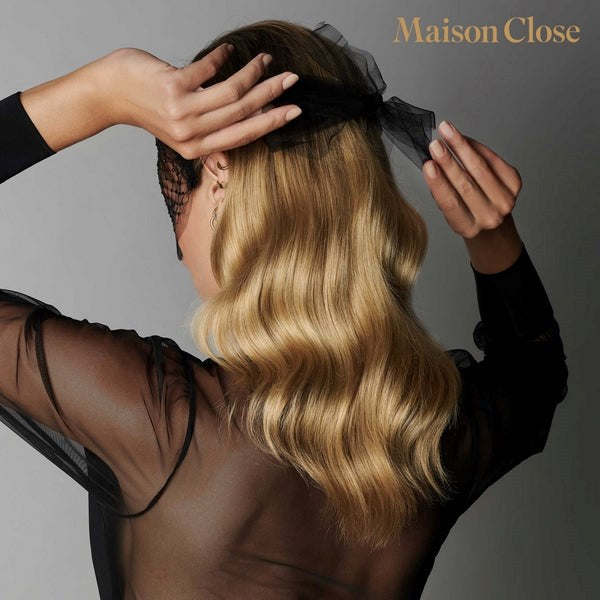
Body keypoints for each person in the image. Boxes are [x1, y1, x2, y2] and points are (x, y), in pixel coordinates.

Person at [0, 19, 568, 600]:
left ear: (217, 173)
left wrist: (103, 92)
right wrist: (494, 241)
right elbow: (534, 376)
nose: (180, 249)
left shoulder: (162, 423)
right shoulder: (434, 438)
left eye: (175, 197)